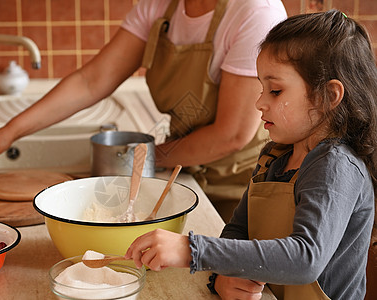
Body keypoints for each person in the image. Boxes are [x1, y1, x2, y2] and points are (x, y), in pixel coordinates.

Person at [0, 0, 287, 222]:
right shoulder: (160, 8)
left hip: (245, 186)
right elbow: (92, 80)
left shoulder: (254, 12)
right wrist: (7, 133)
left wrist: (145, 158)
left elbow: (232, 133)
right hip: (186, 171)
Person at [125, 10, 377, 300]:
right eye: (262, 88)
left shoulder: (336, 166)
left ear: (329, 96)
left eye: (275, 90)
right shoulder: (274, 157)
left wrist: (193, 250)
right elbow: (237, 230)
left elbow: (305, 258)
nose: (260, 102)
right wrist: (221, 278)